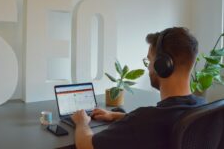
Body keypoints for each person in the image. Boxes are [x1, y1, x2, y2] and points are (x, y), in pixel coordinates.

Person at [71, 27, 206, 149]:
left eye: (150, 60)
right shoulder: (203, 108)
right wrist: (116, 115)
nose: (148, 67)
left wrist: (81, 123)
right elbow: (161, 124)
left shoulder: (144, 121)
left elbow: (85, 145)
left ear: (162, 65)